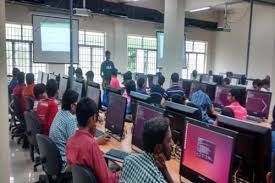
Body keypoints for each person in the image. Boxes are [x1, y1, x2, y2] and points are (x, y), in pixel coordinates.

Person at [66, 97, 118, 183]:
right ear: (93, 118)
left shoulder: (70, 141)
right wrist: (123, 172)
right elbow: (108, 180)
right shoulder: (91, 145)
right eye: (96, 117)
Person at [119, 117, 174, 183]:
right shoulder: (158, 180)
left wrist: (164, 170)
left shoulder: (128, 159)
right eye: (169, 140)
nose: (172, 143)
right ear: (158, 148)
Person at [49, 89, 79, 173]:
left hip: (54, 159)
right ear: (72, 106)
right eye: (77, 104)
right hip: (64, 163)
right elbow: (75, 147)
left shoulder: (60, 113)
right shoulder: (70, 120)